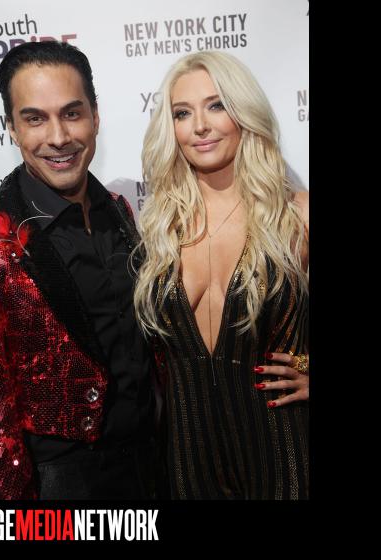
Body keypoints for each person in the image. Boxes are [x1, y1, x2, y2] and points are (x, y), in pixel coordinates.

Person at [0, 41, 158, 500]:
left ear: (95, 116)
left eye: (72, 113)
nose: (58, 137)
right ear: (11, 129)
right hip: (60, 489)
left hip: (154, 468)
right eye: (35, 119)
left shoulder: (120, 212)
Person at [133, 51, 309, 499]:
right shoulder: (159, 228)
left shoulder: (296, 217)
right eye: (182, 113)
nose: (200, 126)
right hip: (188, 457)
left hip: (282, 449)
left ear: (244, 112)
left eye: (216, 105)